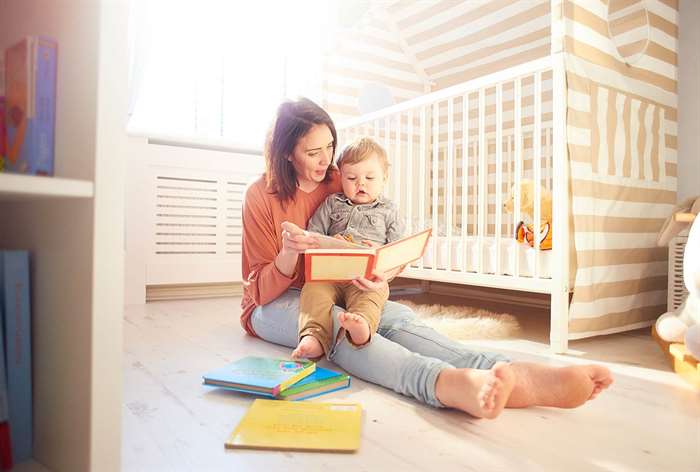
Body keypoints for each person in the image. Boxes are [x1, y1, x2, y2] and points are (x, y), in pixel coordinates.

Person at [240, 97, 613, 419]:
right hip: (276, 301)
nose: (327, 161)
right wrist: (289, 256)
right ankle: (444, 384)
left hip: (345, 285)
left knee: (399, 320)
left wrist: (384, 272)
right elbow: (259, 292)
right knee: (341, 325)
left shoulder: (338, 179)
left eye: (330, 146)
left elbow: (380, 243)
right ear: (287, 152)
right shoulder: (261, 196)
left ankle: (517, 374)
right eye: (313, 152)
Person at [289, 137, 404, 360]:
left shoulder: (389, 210)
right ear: (341, 178)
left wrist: (381, 253)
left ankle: (360, 327)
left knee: (372, 296)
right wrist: (331, 240)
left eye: (369, 178)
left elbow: (397, 250)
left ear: (384, 178)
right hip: (330, 274)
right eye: (351, 178)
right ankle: (313, 336)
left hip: (366, 278)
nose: (360, 183)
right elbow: (313, 233)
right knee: (312, 291)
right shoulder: (332, 203)